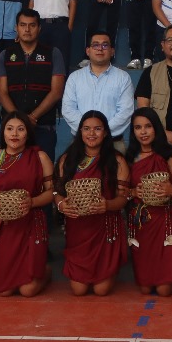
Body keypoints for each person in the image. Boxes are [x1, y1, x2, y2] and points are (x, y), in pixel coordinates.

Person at [54, 110, 130, 296]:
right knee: (78, 290)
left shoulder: (117, 160)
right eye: (86, 129)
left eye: (97, 129)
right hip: (78, 228)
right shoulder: (68, 159)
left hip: (105, 229)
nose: (91, 133)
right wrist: (61, 205)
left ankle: (108, 269)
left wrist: (108, 205)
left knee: (101, 290)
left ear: (105, 133)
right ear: (80, 131)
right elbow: (56, 192)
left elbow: (124, 198)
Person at [0, 110, 53, 297]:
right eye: (10, 129)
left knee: (28, 291)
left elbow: (51, 194)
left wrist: (32, 202)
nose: (14, 134)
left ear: (27, 133)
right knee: (4, 291)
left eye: (20, 129)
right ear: (3, 132)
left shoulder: (40, 157)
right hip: (3, 226)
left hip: (31, 224)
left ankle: (45, 272)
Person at [126, 108, 172, 297]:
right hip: (140, 223)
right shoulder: (129, 158)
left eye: (148, 127)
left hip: (165, 222)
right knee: (145, 289)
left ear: (156, 129)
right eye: (138, 127)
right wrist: (132, 192)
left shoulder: (169, 156)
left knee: (164, 290)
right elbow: (122, 193)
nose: (143, 132)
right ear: (133, 131)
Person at [0, 9, 66, 158]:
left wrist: (32, 117)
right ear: (16, 28)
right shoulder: (5, 55)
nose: (27, 29)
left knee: (43, 174)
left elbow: (56, 92)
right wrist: (19, 120)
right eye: (22, 25)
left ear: (39, 28)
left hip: (43, 127)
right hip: (12, 128)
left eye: (32, 25)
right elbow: (2, 93)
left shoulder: (53, 53)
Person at [61, 30, 134, 147]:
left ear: (112, 51)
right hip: (80, 143)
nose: (100, 49)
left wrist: (102, 132)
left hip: (113, 143)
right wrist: (88, 132)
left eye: (105, 45)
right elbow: (68, 110)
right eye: (95, 45)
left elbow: (125, 112)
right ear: (88, 51)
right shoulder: (75, 77)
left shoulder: (123, 78)